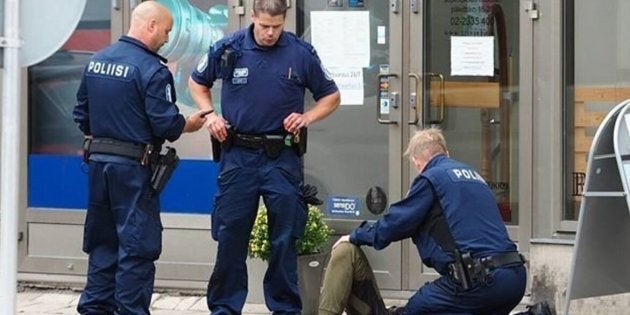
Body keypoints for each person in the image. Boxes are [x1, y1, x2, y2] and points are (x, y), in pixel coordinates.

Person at [188, 0, 341, 313]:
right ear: (253, 17)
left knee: (284, 238)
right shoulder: (228, 47)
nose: (270, 33)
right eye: (264, 26)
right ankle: (225, 308)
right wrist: (210, 115)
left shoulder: (300, 53)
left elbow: (332, 96)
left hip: (281, 157)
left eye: (277, 27)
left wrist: (307, 117)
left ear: (284, 20)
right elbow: (197, 82)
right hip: (238, 155)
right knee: (231, 235)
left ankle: (285, 308)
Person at [72, 2, 208, 314]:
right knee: (137, 247)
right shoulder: (152, 69)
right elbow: (167, 124)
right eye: (166, 30)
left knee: (102, 244)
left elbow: (81, 114)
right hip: (133, 170)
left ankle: (94, 308)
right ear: (150, 26)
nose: (167, 38)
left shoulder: (97, 60)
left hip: (98, 166)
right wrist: (190, 124)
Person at [319, 127, 527, 315]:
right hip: (514, 278)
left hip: (479, 282)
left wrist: (355, 235)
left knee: (418, 308)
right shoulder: (474, 176)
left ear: (417, 162)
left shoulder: (431, 178)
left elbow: (396, 223)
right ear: (446, 153)